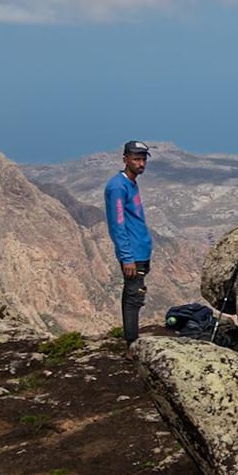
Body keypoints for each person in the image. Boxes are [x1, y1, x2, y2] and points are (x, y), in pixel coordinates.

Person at [104, 140, 154, 350]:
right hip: (133, 255)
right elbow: (117, 224)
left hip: (141, 251)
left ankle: (131, 342)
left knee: (134, 295)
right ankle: (132, 347)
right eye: (136, 159)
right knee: (134, 299)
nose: (141, 164)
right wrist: (127, 257)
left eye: (143, 159)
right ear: (125, 159)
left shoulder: (131, 183)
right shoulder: (118, 186)